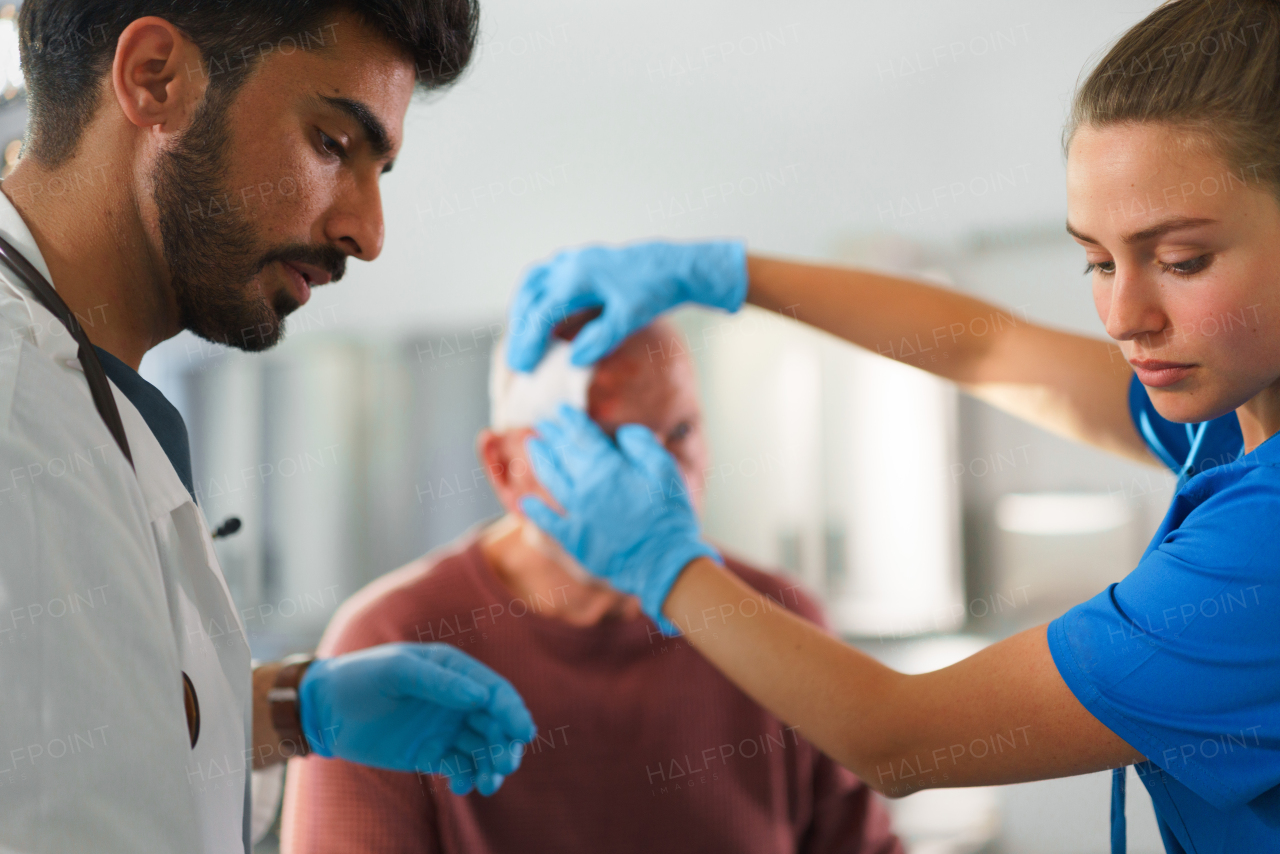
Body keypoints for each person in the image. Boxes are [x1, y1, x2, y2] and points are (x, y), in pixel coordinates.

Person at [501, 2, 1280, 852]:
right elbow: (987, 351)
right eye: (1096, 260)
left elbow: (897, 738)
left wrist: (664, 564)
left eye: (1181, 261)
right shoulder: (1231, 415)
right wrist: (729, 274)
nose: (1123, 316)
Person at [0, 3, 537, 853]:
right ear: (155, 80)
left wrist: (287, 708)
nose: (367, 232)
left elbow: (61, 736)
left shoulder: (77, 381)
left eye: (379, 170)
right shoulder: (18, 410)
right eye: (332, 145)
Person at [279, 316, 904, 854]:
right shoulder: (389, 642)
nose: (662, 482)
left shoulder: (776, 622)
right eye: (604, 449)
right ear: (505, 466)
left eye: (680, 434)